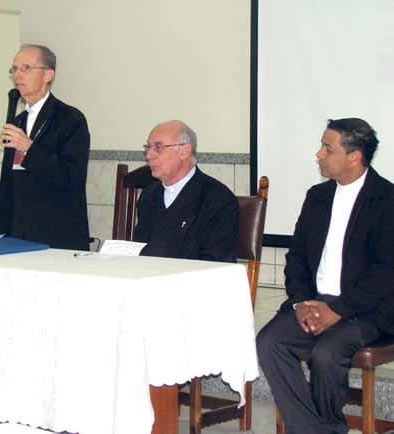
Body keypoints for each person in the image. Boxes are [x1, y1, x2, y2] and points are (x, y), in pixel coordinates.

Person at [256, 118, 394, 434]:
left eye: (327, 148)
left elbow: (386, 272)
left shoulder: (386, 200)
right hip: (315, 303)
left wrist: (338, 310)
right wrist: (302, 302)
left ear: (354, 156)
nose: (319, 154)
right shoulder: (318, 196)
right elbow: (298, 258)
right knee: (269, 342)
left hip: (365, 311)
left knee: (327, 354)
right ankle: (316, 429)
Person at [0, 44, 90, 250]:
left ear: (48, 75)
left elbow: (72, 178)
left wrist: (29, 148)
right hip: (18, 235)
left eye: (25, 68)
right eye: (14, 69)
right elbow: (8, 184)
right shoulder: (17, 121)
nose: (18, 75)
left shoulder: (70, 119)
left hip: (57, 235)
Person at [133, 120, 239, 262]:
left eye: (158, 147)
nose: (149, 155)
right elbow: (140, 250)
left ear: (184, 151)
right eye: (148, 147)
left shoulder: (218, 199)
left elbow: (215, 263)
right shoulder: (149, 195)